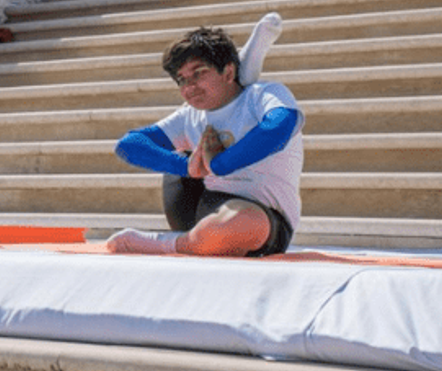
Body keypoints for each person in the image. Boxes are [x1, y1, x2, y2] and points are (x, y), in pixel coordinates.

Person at [109, 13, 303, 257]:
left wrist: (221, 163)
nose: (189, 87)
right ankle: (192, 240)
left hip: (261, 216)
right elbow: (129, 145)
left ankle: (167, 244)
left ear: (229, 72)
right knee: (180, 153)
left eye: (199, 73)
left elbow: (282, 125)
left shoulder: (262, 95)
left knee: (241, 222)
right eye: (182, 80)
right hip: (203, 206)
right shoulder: (189, 114)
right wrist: (186, 166)